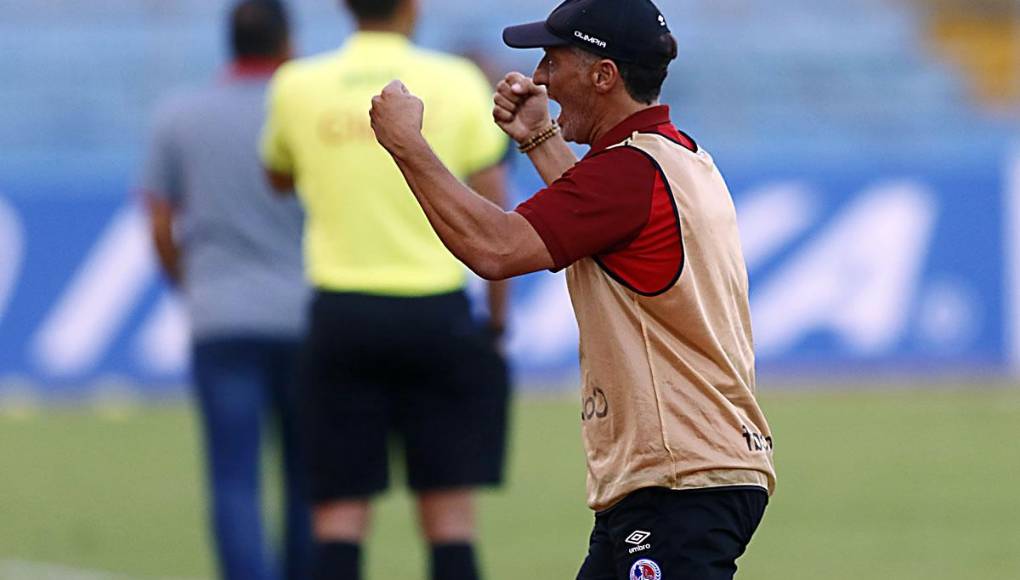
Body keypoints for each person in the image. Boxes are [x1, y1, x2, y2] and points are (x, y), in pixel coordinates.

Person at [368, 0, 777, 578]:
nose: (538, 77)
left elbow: (497, 247)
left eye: (553, 60)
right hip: (685, 474)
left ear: (603, 75)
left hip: (679, 479)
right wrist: (540, 136)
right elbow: (600, 227)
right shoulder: (676, 155)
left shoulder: (627, 174)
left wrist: (408, 147)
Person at [259, 1, 512, 578]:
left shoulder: (296, 83)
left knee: (338, 521)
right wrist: (497, 324)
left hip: (342, 312)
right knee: (450, 521)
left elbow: (276, 174)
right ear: (413, 7)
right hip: (438, 313)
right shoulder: (458, 80)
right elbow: (496, 207)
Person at [140, 1, 311, 579]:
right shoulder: (307, 108)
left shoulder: (180, 115)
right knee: (306, 476)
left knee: (234, 477)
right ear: (286, 42)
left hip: (221, 315)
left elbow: (160, 222)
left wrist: (191, 285)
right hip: (308, 313)